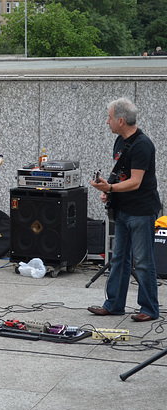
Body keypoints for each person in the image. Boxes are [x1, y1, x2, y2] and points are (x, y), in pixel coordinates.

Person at [88, 98, 161, 322]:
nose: (106, 122)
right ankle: (114, 304)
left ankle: (149, 309)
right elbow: (120, 172)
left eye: (109, 118)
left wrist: (110, 187)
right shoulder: (120, 141)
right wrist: (108, 190)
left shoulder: (143, 145)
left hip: (141, 211)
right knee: (119, 258)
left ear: (121, 120)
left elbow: (135, 181)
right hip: (123, 210)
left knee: (143, 261)